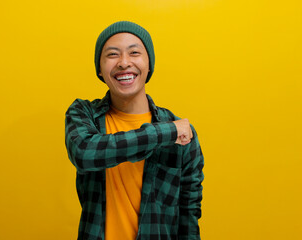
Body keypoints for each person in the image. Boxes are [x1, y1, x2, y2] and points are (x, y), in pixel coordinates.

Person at [65, 21, 204, 240]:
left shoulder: (184, 135)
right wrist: (164, 133)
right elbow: (84, 152)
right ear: (100, 70)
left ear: (149, 65)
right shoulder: (84, 114)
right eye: (112, 55)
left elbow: (188, 213)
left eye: (135, 52)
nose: (124, 63)